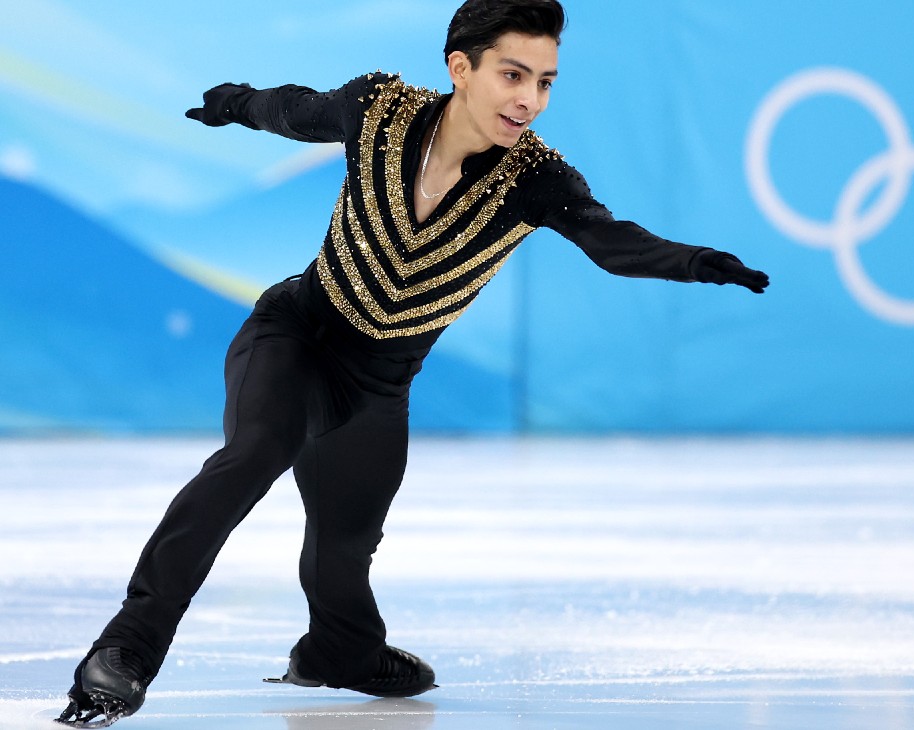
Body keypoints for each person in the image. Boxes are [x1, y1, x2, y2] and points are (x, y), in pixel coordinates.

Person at [56, 0, 769, 726]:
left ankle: (341, 651)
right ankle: (126, 650)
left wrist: (693, 262)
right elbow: (298, 111)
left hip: (377, 387)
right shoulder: (381, 110)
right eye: (513, 74)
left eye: (546, 81)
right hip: (297, 336)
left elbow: (609, 240)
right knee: (254, 455)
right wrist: (236, 103)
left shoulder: (537, 178)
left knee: (345, 548)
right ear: (461, 68)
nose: (529, 98)